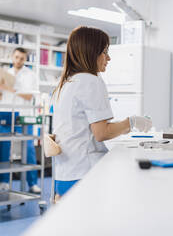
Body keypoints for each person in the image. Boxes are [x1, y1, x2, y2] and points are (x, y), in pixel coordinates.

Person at [52, 26, 151, 200]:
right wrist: (132, 122)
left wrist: (125, 126)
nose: (109, 58)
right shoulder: (91, 81)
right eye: (105, 52)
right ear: (92, 52)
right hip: (84, 175)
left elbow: (86, 128)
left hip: (65, 175)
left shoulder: (68, 83)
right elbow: (101, 133)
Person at [0, 47, 41, 193]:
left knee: (28, 147)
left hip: (23, 115)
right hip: (5, 113)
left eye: (21, 58)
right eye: (16, 57)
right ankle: (4, 182)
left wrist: (10, 88)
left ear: (25, 59)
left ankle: (32, 183)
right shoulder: (6, 73)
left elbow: (29, 96)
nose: (18, 60)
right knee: (4, 147)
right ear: (12, 57)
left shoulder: (31, 75)